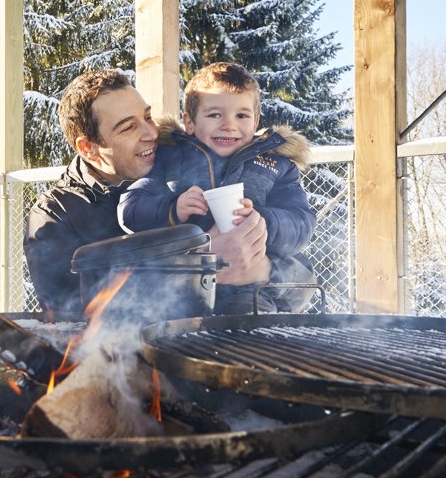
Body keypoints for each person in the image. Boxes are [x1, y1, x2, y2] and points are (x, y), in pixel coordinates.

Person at [24, 70, 276, 317]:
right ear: (89, 148)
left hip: (214, 344)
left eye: (147, 117)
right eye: (128, 127)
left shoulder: (182, 171)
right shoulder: (56, 214)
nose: (151, 133)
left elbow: (302, 281)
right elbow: (68, 315)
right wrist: (199, 268)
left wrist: (264, 269)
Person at [119, 62, 316, 313]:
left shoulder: (275, 165)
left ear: (255, 122)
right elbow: (130, 207)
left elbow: (302, 222)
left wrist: (263, 222)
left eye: (241, 116)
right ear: (189, 122)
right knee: (177, 332)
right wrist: (173, 208)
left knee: (249, 325)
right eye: (214, 115)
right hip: (184, 291)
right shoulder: (170, 158)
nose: (228, 125)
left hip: (250, 289)